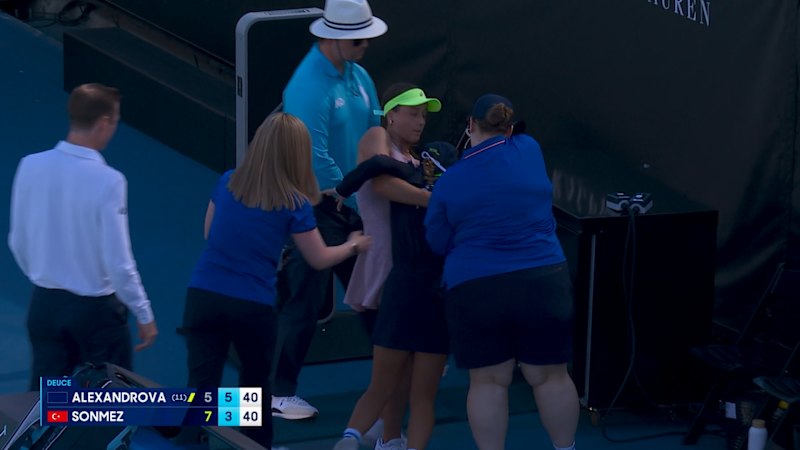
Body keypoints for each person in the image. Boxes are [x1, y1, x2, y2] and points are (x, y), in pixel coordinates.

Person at [182, 112, 372, 449]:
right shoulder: (296, 203)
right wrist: (353, 244)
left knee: (200, 390)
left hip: (202, 297)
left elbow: (211, 234)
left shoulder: (228, 180)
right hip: (251, 308)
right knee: (254, 392)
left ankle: (187, 443)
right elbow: (319, 258)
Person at [424, 94, 580, 450]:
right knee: (551, 377)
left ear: (470, 126)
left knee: (488, 382)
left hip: (476, 288)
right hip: (544, 281)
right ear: (509, 128)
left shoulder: (450, 182)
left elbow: (437, 240)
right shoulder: (529, 149)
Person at [271, 0, 388, 420]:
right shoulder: (307, 87)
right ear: (334, 37)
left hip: (353, 203)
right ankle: (278, 393)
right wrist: (362, 200)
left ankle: (393, 375)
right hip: (315, 207)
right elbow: (315, 159)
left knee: (373, 293)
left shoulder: (359, 75)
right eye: (359, 39)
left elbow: (375, 130)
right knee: (304, 299)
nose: (366, 45)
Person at [8, 83, 158, 390]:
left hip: (45, 306)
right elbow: (119, 262)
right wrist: (143, 312)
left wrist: (46, 278)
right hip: (96, 316)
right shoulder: (110, 181)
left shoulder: (30, 165)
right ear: (103, 122)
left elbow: (17, 241)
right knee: (110, 402)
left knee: (47, 405)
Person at [333, 84, 450, 450]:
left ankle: (389, 435)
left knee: (403, 368)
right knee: (391, 370)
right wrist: (434, 198)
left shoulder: (418, 160)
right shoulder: (376, 136)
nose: (420, 121)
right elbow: (382, 184)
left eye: (424, 115)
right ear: (392, 115)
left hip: (415, 270)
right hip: (387, 265)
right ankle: (378, 433)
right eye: (413, 113)